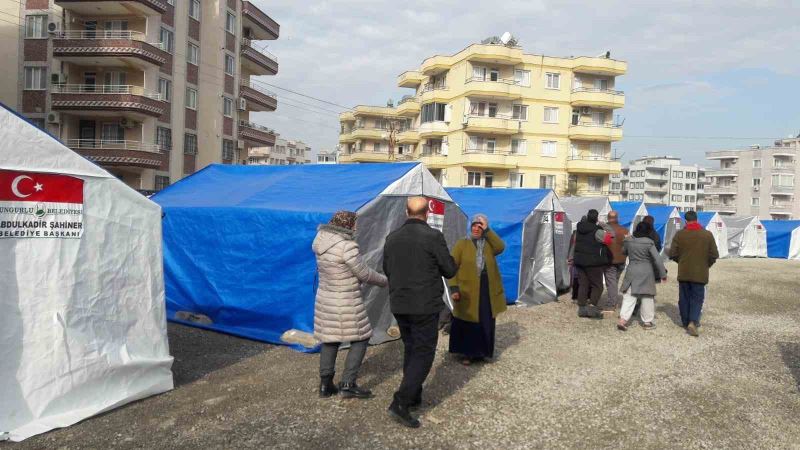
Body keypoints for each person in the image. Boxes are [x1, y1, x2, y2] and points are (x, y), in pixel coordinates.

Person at [382, 197, 458, 428]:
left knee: (411, 348)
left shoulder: (392, 238)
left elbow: (387, 268)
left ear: (407, 212)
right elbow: (449, 269)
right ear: (427, 213)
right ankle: (401, 402)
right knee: (424, 353)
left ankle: (413, 394)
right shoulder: (433, 237)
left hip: (400, 303)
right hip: (424, 305)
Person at [312, 211, 388, 399]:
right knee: (361, 338)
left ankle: (325, 384)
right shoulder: (347, 247)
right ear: (347, 225)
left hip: (325, 298)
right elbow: (364, 274)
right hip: (346, 300)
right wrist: (385, 280)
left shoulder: (320, 241)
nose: (356, 227)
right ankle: (348, 383)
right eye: (354, 223)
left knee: (330, 338)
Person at [448, 214, 506, 365]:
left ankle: (482, 352)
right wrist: (454, 288)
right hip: (467, 290)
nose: (476, 228)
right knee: (468, 321)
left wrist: (487, 230)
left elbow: (501, 247)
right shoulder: (462, 243)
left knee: (485, 319)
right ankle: (467, 354)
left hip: (487, 289)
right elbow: (451, 267)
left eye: (479, 226)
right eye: (474, 225)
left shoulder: (488, 244)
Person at [669, 210, 719, 337]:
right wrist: (706, 264)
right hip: (700, 273)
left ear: (686, 221)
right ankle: (693, 321)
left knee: (684, 297)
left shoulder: (680, 235)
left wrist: (680, 261)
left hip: (684, 271)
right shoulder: (707, 235)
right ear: (697, 220)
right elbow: (714, 254)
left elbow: (672, 253)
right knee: (697, 298)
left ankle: (685, 321)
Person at [617, 222, 667, 331]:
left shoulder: (628, 241)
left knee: (629, 296)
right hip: (646, 271)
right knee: (647, 296)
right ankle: (647, 322)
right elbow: (657, 259)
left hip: (632, 269)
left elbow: (623, 251)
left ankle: (623, 320)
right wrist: (663, 274)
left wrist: (627, 242)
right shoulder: (649, 243)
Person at [573, 209, 613, 318]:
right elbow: (610, 238)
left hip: (580, 261)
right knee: (598, 285)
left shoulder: (580, 228)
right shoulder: (597, 231)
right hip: (593, 262)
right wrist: (603, 224)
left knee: (583, 284)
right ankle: (592, 307)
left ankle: (581, 309)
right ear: (596, 218)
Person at [602, 210, 629, 312]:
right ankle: (614, 300)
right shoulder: (625, 230)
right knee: (615, 281)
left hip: (609, 261)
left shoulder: (604, 230)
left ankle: (611, 304)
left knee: (611, 282)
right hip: (621, 260)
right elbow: (629, 244)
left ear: (608, 218)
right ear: (617, 218)